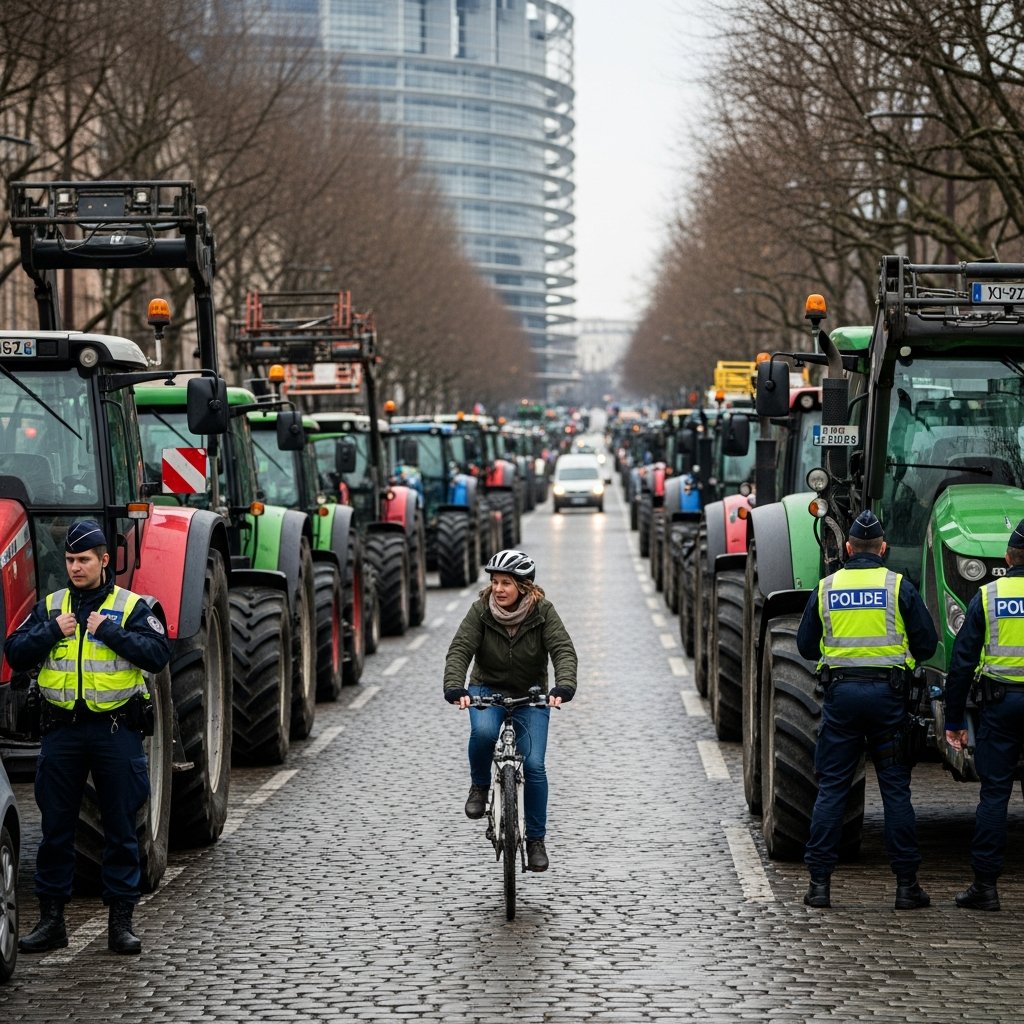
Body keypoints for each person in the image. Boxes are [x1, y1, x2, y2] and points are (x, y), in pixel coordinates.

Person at [8, 519, 171, 955]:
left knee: (121, 829)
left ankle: (121, 923)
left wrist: (110, 632)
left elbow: (158, 655)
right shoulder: (52, 606)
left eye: (84, 560)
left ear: (104, 561)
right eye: (70, 560)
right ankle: (51, 921)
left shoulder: (131, 607)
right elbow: (14, 651)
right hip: (61, 732)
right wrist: (49, 632)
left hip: (116, 732)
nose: (76, 568)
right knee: (55, 830)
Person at [796, 510, 938, 909]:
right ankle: (907, 887)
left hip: (841, 700)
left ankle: (820, 886)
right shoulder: (898, 587)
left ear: (846, 548)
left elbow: (806, 647)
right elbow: (926, 644)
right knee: (895, 791)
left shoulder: (826, 587)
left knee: (833, 789)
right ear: (883, 549)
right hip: (889, 701)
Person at [443, 548, 577, 872]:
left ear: (524, 586)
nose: (499, 589)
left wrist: (564, 686)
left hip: (531, 695)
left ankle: (535, 841)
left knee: (533, 766)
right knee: (485, 731)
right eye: (495, 582)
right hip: (486, 689)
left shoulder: (544, 612)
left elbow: (563, 650)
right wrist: (455, 686)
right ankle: (479, 786)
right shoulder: (480, 611)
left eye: (506, 582)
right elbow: (460, 648)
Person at [945, 518, 1024, 912]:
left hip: (1002, 706)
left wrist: (954, 720)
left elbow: (961, 664)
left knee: (995, 794)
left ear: (1008, 558)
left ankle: (986, 888)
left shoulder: (988, 596)